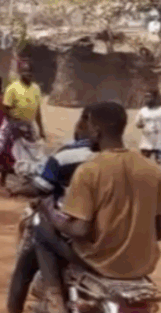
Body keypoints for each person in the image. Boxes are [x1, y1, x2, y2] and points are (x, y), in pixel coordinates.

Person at [34, 101, 161, 313]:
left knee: (41, 229)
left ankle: (54, 297)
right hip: (141, 264)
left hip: (99, 262)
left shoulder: (90, 170)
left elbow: (79, 230)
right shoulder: (152, 170)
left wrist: (51, 213)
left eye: (89, 126)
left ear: (96, 130)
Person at [6, 107, 95, 313]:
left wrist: (19, 189)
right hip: (114, 236)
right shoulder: (126, 161)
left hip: (74, 233)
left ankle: (53, 295)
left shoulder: (66, 155)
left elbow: (42, 187)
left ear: (86, 125)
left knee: (36, 242)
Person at [0, 60, 45, 186]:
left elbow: (37, 110)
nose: (28, 74)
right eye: (25, 71)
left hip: (28, 126)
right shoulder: (13, 88)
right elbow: (5, 108)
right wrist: (14, 123)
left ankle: (26, 183)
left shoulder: (36, 88)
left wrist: (41, 129)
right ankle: (2, 179)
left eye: (30, 71)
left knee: (29, 154)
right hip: (13, 124)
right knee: (8, 153)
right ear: (20, 72)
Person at [136, 89, 161, 162]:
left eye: (149, 97)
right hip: (146, 142)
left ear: (155, 98)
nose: (147, 99)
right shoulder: (143, 111)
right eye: (146, 97)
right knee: (143, 162)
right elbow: (138, 124)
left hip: (159, 142)